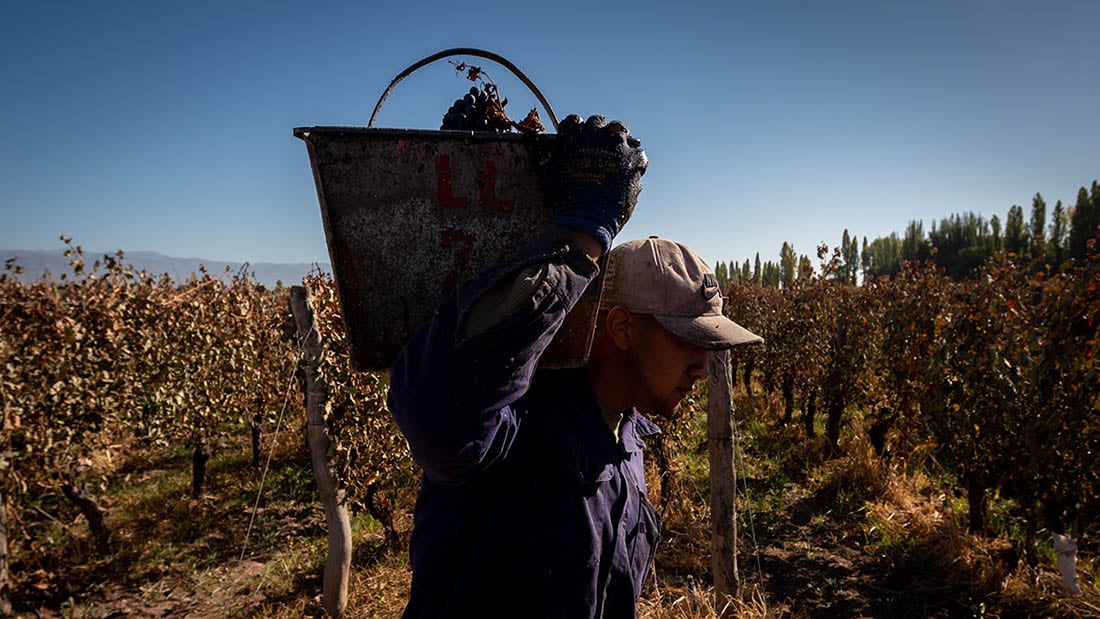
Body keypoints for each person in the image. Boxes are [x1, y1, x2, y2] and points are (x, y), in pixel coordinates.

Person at [388, 114, 762, 618]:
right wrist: (582, 238)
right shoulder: (515, 431)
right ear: (622, 329)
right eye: (687, 340)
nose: (702, 367)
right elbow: (436, 414)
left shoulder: (627, 442)